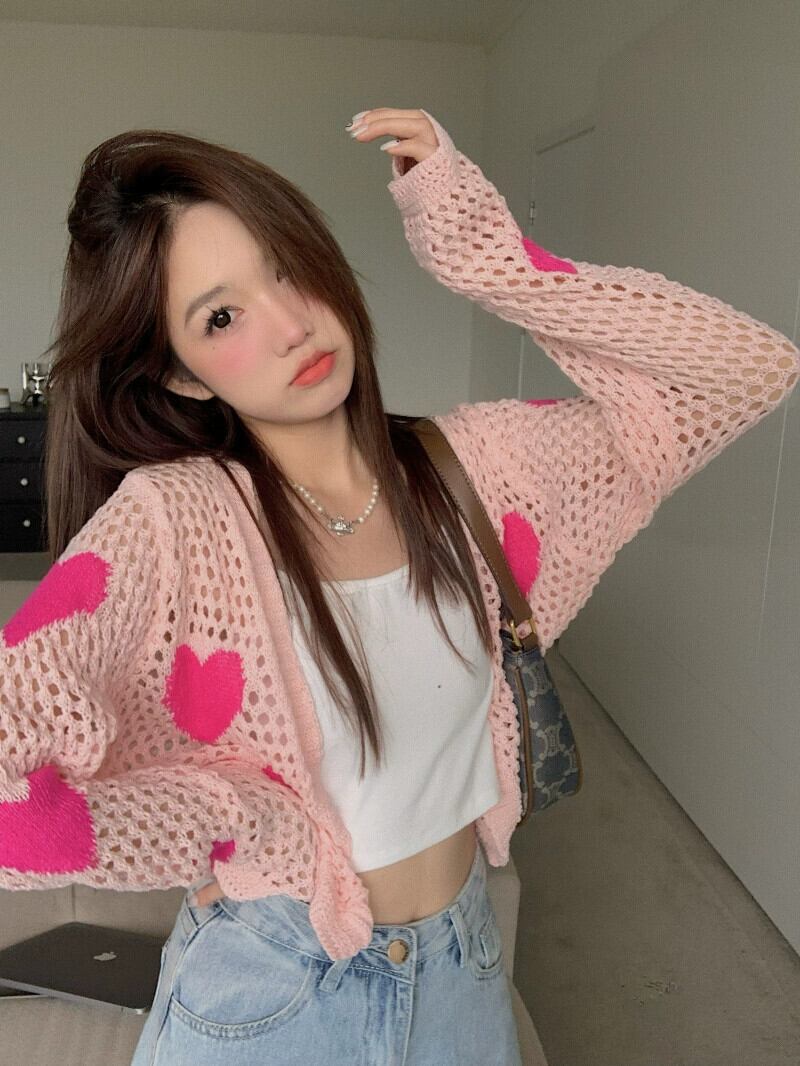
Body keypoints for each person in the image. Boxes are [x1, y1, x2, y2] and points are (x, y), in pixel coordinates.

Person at [0, 107, 796, 1066]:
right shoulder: (177, 520)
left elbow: (744, 373)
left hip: (463, 968)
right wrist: (224, 822)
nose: (291, 324)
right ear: (184, 376)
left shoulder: (479, 470)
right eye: (222, 317)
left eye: (286, 268)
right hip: (272, 993)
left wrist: (486, 256)